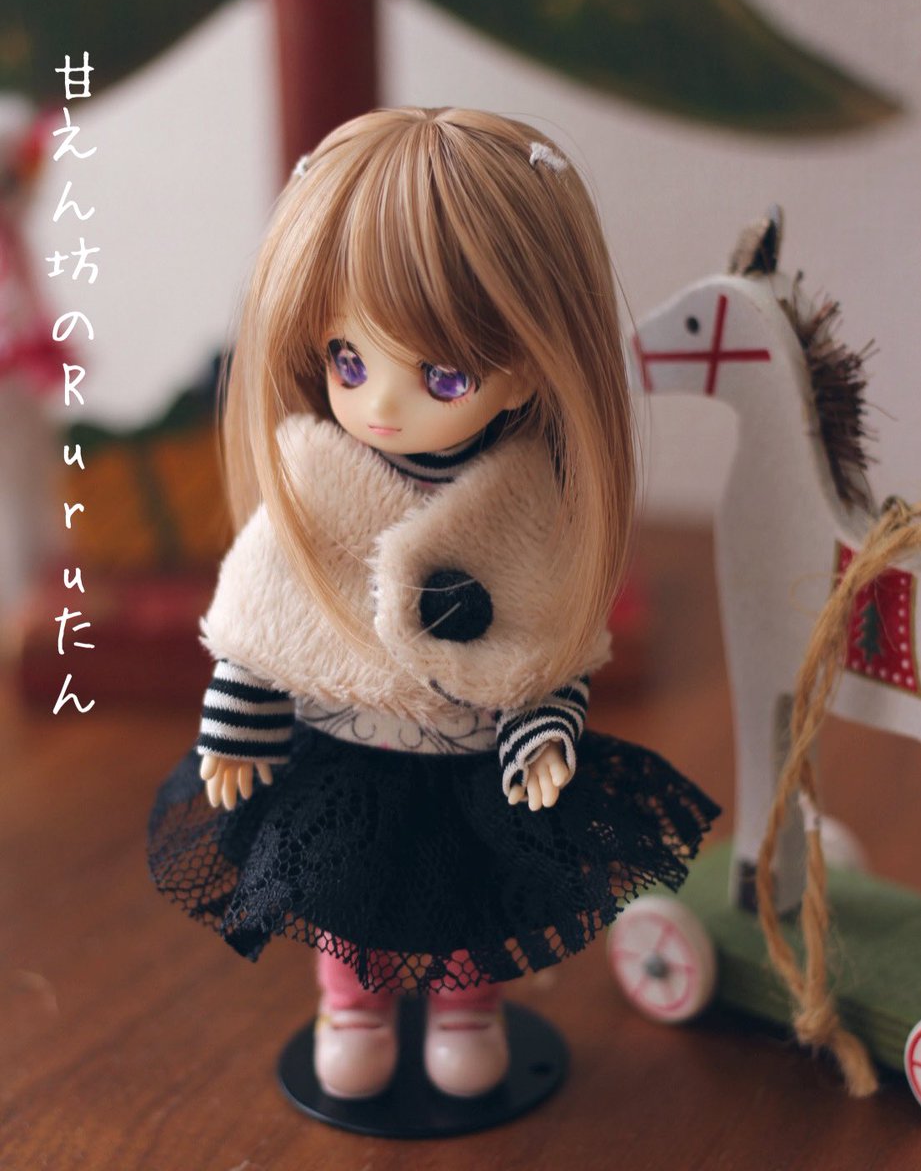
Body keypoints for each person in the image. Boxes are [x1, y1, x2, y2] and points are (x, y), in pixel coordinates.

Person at [147, 106, 719, 1102]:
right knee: (345, 904)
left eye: (442, 375)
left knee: (467, 910)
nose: (379, 405)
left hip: (466, 766)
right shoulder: (315, 485)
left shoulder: (532, 509)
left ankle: (467, 1008)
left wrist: (540, 727)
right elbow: (263, 623)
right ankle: (351, 1006)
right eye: (348, 361)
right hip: (344, 759)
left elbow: (548, 645)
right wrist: (241, 724)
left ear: (527, 369)